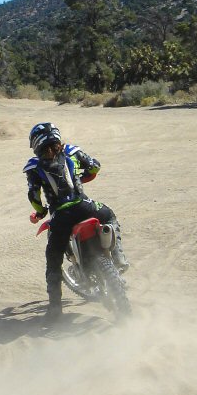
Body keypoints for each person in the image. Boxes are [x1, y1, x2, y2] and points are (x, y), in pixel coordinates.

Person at [24, 122, 130, 320]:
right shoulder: (72, 151)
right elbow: (94, 167)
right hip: (86, 206)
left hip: (61, 217)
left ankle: (55, 308)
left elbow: (34, 197)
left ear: (36, 144)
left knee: (53, 260)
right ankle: (118, 258)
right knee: (109, 215)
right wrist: (83, 176)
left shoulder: (34, 166)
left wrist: (40, 212)